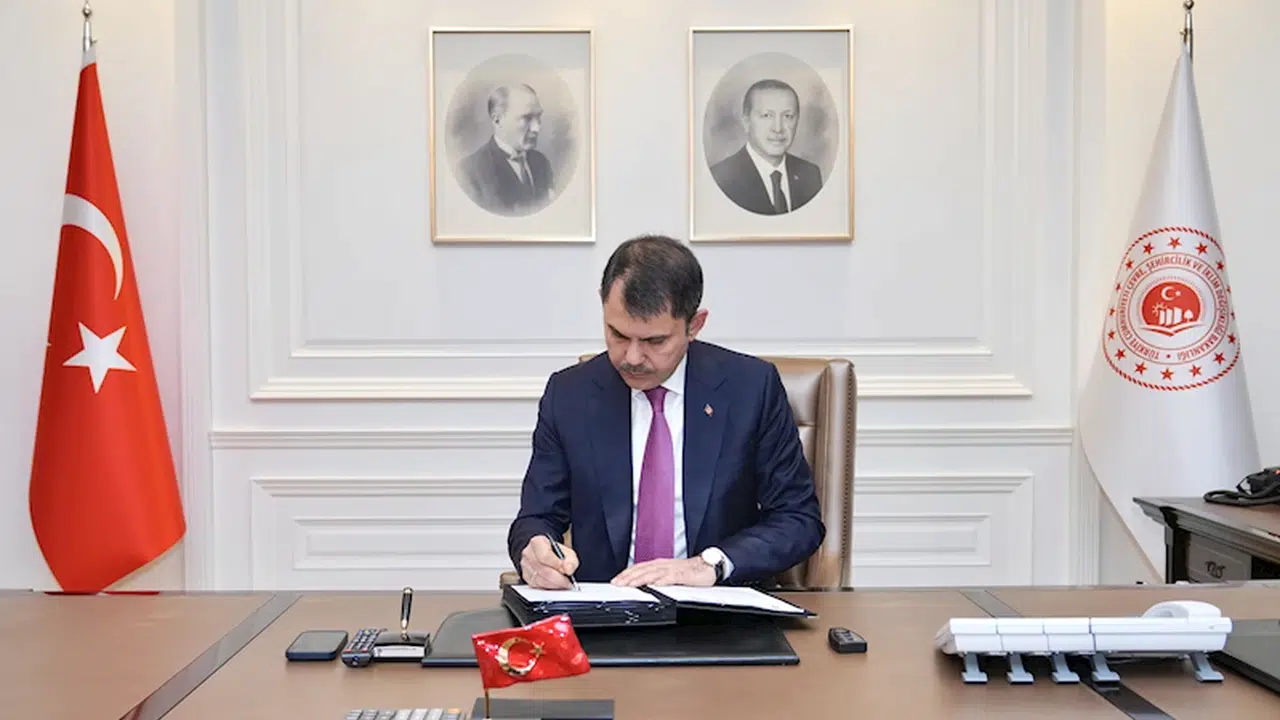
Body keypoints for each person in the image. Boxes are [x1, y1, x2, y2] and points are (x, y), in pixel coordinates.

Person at [507, 234, 825, 589]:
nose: (631, 357)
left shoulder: (751, 388)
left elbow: (798, 519)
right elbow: (536, 518)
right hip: (607, 609)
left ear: (694, 325)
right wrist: (535, 551)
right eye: (617, 334)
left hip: (717, 609)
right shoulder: (569, 395)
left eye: (654, 341)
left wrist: (710, 564)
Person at [709, 78, 823, 215]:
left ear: (797, 120)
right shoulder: (721, 178)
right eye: (767, 115)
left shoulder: (810, 175)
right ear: (746, 121)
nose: (778, 128)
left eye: (787, 116)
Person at [456, 83, 554, 216]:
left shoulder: (541, 162)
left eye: (538, 117)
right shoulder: (468, 172)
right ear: (497, 120)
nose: (536, 128)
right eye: (527, 118)